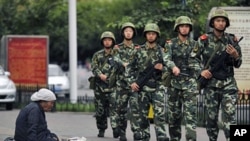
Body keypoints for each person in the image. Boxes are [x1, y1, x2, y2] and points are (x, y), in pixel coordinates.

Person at [197, 8, 242, 141]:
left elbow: (238, 64)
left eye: (223, 21)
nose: (221, 23)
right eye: (218, 20)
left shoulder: (232, 40)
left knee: (231, 117)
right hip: (211, 85)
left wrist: (235, 55)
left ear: (226, 23)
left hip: (228, 84)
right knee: (211, 119)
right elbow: (192, 59)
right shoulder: (203, 40)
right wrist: (201, 70)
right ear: (213, 23)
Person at [126, 23, 169, 141]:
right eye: (149, 34)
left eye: (153, 34)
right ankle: (144, 137)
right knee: (142, 116)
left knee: (159, 115)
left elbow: (170, 69)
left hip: (157, 87)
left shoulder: (162, 51)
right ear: (145, 35)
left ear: (157, 35)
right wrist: (132, 82)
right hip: (142, 87)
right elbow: (129, 68)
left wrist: (163, 68)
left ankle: (161, 136)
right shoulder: (138, 51)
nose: (151, 36)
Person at [164, 16, 201, 141]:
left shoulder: (195, 44)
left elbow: (199, 61)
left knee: (191, 115)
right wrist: (173, 67)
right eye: (182, 26)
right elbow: (166, 59)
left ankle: (191, 139)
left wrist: (198, 75)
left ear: (189, 28)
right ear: (177, 28)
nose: (184, 28)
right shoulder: (170, 44)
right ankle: (175, 138)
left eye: (186, 26)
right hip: (174, 83)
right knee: (174, 116)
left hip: (190, 83)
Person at [111, 22, 140, 141]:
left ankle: (136, 131)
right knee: (121, 110)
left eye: (130, 31)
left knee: (135, 108)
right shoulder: (117, 48)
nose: (128, 33)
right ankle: (122, 132)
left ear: (133, 33)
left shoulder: (138, 48)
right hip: (122, 84)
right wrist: (123, 63)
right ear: (123, 33)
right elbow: (115, 58)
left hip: (134, 83)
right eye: (126, 31)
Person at [91, 31, 119, 138]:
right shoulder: (97, 55)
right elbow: (94, 67)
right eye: (105, 40)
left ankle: (115, 128)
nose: (107, 42)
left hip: (113, 87)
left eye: (109, 40)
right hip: (100, 87)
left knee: (114, 109)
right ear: (102, 42)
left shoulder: (117, 54)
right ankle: (101, 129)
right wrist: (100, 74)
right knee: (100, 110)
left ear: (112, 41)